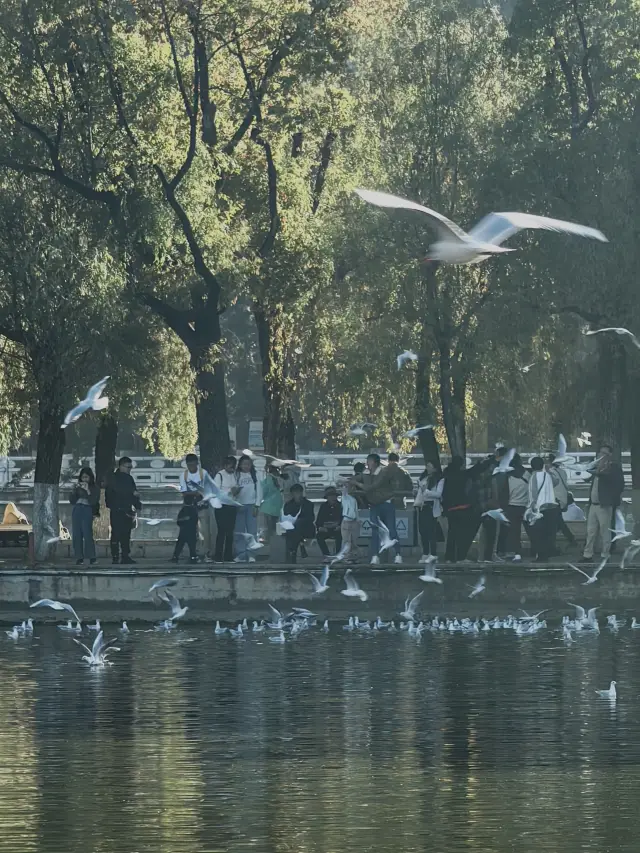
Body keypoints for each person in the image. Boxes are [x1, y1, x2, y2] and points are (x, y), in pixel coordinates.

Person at [352, 453, 413, 566]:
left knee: (391, 530)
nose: (367, 464)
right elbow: (359, 478)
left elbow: (371, 487)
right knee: (375, 531)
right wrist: (349, 480)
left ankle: (398, 555)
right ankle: (375, 556)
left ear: (375, 462)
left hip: (387, 504)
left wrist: (355, 483)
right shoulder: (367, 473)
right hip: (375, 505)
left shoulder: (383, 472)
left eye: (369, 461)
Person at [582, 444, 625, 561]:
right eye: (600, 453)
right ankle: (587, 554)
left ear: (610, 455)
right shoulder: (597, 467)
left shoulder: (613, 468)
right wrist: (590, 467)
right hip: (593, 504)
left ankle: (605, 554)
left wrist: (612, 499)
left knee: (605, 531)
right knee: (590, 531)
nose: (601, 456)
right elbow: (586, 478)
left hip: (605, 504)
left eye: (604, 453)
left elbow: (617, 483)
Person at [441, 456, 480, 562]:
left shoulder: (446, 475)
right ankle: (459, 557)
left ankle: (449, 557)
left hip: (450, 509)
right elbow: (475, 470)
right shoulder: (462, 475)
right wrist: (483, 462)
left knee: (452, 534)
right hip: (462, 508)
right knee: (461, 534)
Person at [105, 457, 141, 565]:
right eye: (128, 467)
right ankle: (115, 556)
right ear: (121, 466)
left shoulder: (129, 479)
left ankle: (125, 556)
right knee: (116, 533)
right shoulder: (113, 478)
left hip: (127, 509)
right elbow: (110, 494)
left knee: (126, 534)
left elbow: (134, 493)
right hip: (116, 510)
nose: (129, 469)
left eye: (131, 467)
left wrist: (137, 504)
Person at [180, 453, 215, 562]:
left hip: (202, 506)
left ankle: (206, 553)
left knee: (204, 531)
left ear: (197, 463)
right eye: (189, 465)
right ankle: (194, 553)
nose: (191, 467)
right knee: (191, 532)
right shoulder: (184, 475)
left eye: (193, 465)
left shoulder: (203, 473)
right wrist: (197, 492)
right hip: (189, 507)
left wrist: (195, 492)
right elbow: (184, 492)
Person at [526, 456, 559, 562]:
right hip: (552, 508)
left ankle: (541, 556)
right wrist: (549, 471)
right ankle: (547, 554)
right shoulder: (547, 475)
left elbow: (533, 494)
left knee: (538, 534)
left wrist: (531, 509)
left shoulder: (533, 477)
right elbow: (556, 482)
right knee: (548, 533)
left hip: (540, 509)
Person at [544, 451, 576, 552]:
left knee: (553, 524)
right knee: (559, 522)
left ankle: (552, 547)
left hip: (554, 500)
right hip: (562, 500)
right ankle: (571, 540)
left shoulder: (550, 473)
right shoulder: (562, 472)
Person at [69, 467, 99, 565]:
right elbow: (72, 501)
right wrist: (73, 491)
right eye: (83, 477)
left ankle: (92, 557)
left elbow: (93, 501)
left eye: (86, 477)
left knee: (87, 533)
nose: (84, 480)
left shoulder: (94, 488)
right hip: (77, 509)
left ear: (90, 478)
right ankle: (79, 557)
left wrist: (88, 491)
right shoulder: (78, 487)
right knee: (77, 534)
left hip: (87, 509)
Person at [414, 461, 443, 562]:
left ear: (435, 468)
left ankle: (433, 554)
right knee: (423, 531)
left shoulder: (439, 479)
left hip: (431, 507)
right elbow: (420, 493)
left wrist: (426, 491)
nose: (428, 468)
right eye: (427, 466)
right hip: (423, 506)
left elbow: (438, 494)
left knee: (431, 532)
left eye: (430, 466)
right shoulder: (424, 478)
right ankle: (425, 553)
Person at [234, 455, 261, 559]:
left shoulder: (255, 475)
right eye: (244, 464)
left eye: (248, 464)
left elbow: (259, 490)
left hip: (251, 506)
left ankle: (251, 555)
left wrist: (257, 505)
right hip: (239, 505)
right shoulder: (236, 475)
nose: (246, 466)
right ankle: (240, 554)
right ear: (240, 465)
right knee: (239, 531)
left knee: (252, 531)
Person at [504, 454, 529, 562]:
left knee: (514, 532)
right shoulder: (527, 474)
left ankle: (517, 553)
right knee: (530, 530)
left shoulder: (507, 477)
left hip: (512, 507)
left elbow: (505, 493)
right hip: (526, 506)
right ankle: (538, 552)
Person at [213, 456, 238, 563]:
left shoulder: (235, 476)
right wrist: (229, 491)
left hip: (231, 505)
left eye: (233, 466)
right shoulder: (219, 475)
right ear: (225, 465)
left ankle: (228, 556)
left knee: (230, 532)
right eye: (230, 466)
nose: (232, 468)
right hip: (221, 506)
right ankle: (218, 555)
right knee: (222, 531)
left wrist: (236, 491)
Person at [283, 483, 316, 563]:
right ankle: (300, 545)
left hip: (306, 528)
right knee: (293, 528)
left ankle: (294, 551)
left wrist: (299, 520)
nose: (297, 494)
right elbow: (286, 516)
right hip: (292, 529)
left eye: (299, 492)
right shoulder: (288, 504)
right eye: (295, 493)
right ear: (292, 494)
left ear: (302, 493)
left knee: (298, 524)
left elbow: (311, 518)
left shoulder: (308, 504)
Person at [315, 487, 343, 561]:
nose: (332, 498)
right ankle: (327, 555)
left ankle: (338, 556)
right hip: (326, 528)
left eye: (333, 496)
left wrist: (340, 526)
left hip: (338, 528)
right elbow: (318, 521)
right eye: (330, 496)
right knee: (319, 536)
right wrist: (320, 527)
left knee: (340, 536)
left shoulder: (341, 506)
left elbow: (344, 519)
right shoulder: (323, 506)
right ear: (327, 497)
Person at [172, 492, 199, 563]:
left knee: (180, 544)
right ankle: (193, 557)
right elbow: (195, 520)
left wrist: (183, 521)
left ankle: (175, 556)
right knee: (192, 545)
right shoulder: (194, 510)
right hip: (192, 530)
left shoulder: (183, 510)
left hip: (183, 530)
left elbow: (178, 521)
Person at [340, 483, 361, 563]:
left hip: (354, 521)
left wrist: (358, 520)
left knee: (354, 540)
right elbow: (344, 492)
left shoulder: (354, 499)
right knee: (346, 540)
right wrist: (345, 485)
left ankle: (353, 557)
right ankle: (346, 558)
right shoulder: (345, 497)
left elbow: (356, 510)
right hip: (346, 520)